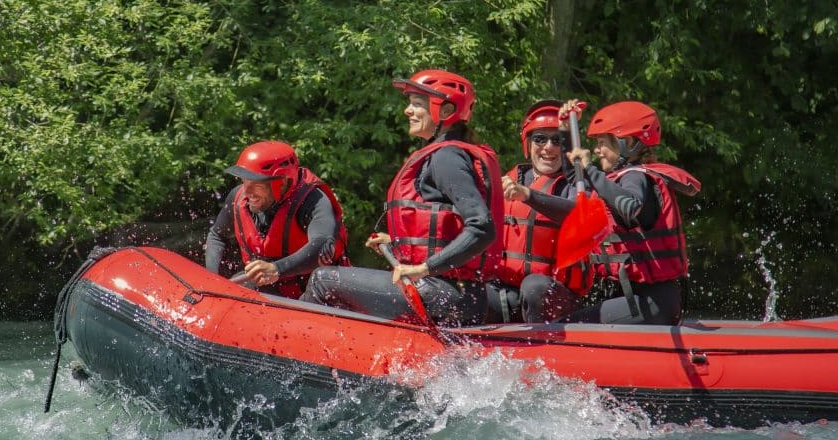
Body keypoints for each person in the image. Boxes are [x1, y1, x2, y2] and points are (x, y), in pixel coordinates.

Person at [300, 69, 503, 327]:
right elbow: (447, 229)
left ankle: (293, 353)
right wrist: (396, 241)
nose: (407, 111)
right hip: (455, 293)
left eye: (417, 104)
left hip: (446, 294)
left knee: (322, 280)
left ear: (445, 111)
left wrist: (423, 268)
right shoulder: (447, 153)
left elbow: (482, 227)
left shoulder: (447, 157)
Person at [520, 100, 701, 325]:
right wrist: (565, 130)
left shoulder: (637, 177)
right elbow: (574, 178)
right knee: (563, 324)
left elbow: (630, 206)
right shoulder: (616, 180)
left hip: (652, 302)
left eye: (603, 143)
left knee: (561, 329)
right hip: (636, 300)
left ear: (629, 143)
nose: (597, 150)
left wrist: (590, 169)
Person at [204, 140, 350, 299]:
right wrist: (214, 279)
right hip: (272, 288)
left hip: (316, 292)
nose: (247, 192)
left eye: (257, 184)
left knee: (320, 285)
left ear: (283, 182)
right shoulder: (238, 197)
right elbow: (217, 236)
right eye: (244, 181)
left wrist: (276, 269)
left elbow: (322, 245)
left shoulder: (313, 201)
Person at [487, 100, 585, 323]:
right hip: (507, 291)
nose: (548, 147)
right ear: (528, 144)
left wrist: (528, 195)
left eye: (557, 140)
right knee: (473, 294)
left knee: (534, 286)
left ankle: (545, 350)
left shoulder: (576, 184)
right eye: (540, 139)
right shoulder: (507, 180)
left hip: (553, 295)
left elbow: (579, 215)